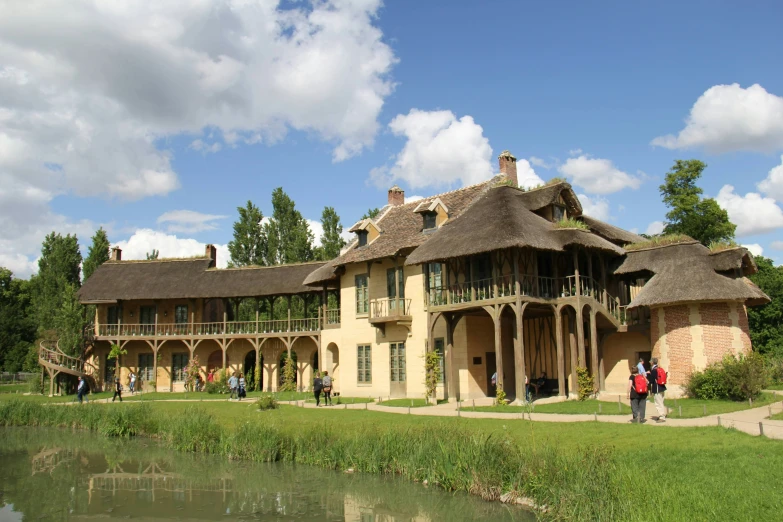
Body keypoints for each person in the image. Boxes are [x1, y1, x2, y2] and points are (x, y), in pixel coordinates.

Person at [649, 357, 667, 422]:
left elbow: (651, 381)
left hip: (657, 388)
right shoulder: (659, 368)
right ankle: (662, 415)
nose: (650, 362)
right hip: (662, 387)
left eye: (650, 361)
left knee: (658, 403)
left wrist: (648, 376)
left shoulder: (654, 370)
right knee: (661, 402)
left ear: (652, 362)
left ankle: (662, 417)